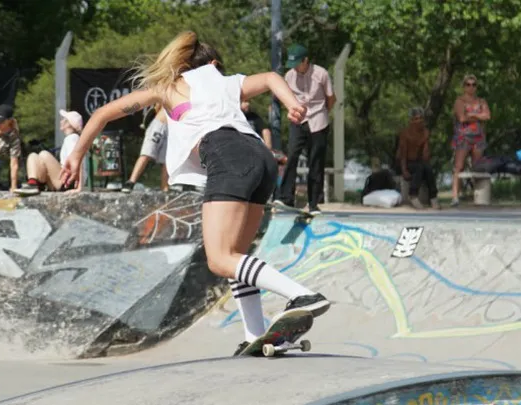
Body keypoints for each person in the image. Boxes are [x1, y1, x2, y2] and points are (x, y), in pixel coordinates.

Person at [59, 31, 330, 355]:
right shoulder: (228, 82)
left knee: (219, 259)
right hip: (261, 158)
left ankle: (302, 295)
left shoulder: (168, 87)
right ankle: (255, 335)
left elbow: (103, 114)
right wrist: (292, 105)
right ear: (213, 63)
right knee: (235, 258)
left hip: (227, 156)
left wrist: (76, 156)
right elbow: (272, 77)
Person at [274, 44, 336, 215]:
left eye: (297, 63)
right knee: (292, 155)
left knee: (315, 162)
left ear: (306, 61)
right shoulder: (289, 75)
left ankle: (314, 203)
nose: (294, 67)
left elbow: (331, 98)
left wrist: (322, 113)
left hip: (319, 120)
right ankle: (285, 197)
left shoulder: (321, 74)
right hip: (298, 120)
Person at [15, 109, 87, 195]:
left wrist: (79, 187)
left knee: (44, 154)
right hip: (65, 181)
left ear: (69, 124)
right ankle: (33, 184)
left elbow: (78, 162)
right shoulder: (71, 138)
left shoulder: (72, 138)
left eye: (63, 119)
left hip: (69, 182)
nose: (61, 121)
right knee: (33, 156)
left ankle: (35, 185)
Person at [451, 74, 491, 207]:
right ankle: (455, 196)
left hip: (478, 137)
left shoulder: (481, 101)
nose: (471, 87)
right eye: (468, 84)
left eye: (474, 84)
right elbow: (462, 118)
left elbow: (487, 116)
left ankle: (479, 197)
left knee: (478, 166)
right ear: (464, 86)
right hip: (463, 137)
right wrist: (479, 116)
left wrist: (472, 114)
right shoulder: (460, 101)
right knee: (459, 166)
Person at [397, 107, 439, 209]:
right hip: (405, 162)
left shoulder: (425, 132)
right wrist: (404, 170)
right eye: (416, 119)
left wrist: (426, 148)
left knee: (428, 168)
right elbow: (402, 153)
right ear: (411, 120)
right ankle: (413, 195)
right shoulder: (405, 133)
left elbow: (425, 154)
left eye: (421, 118)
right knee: (419, 168)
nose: (419, 121)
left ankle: (433, 197)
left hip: (418, 161)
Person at [121, 108, 169, 192]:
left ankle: (165, 187)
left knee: (168, 160)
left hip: (173, 127)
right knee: (146, 153)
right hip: (160, 124)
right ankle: (131, 182)